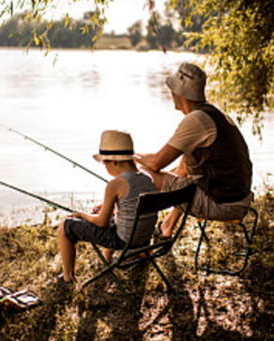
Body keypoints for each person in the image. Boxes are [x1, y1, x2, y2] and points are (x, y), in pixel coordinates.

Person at [135, 62, 253, 238]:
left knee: (142, 176)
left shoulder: (196, 120)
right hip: (239, 199)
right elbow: (182, 171)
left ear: (178, 93)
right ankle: (166, 227)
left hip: (222, 203)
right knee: (184, 173)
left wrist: (127, 154)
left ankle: (135, 241)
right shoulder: (213, 114)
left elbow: (155, 162)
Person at [56, 130, 158, 285]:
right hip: (143, 239)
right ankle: (106, 259)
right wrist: (108, 207)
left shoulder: (115, 184)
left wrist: (82, 215)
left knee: (65, 226)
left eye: (105, 163)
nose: (105, 167)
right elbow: (131, 206)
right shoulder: (148, 178)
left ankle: (67, 278)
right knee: (111, 217)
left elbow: (102, 222)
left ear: (114, 161)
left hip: (123, 241)